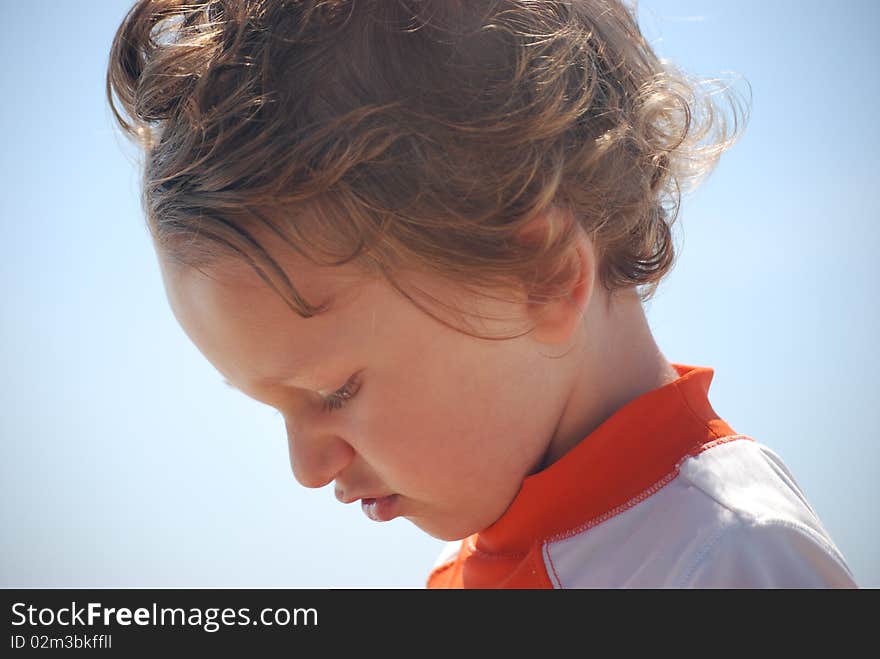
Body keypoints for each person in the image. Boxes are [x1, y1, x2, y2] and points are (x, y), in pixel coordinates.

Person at [106, 0, 856, 588]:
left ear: (545, 276)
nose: (307, 467)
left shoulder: (732, 561)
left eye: (334, 390)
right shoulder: (476, 566)